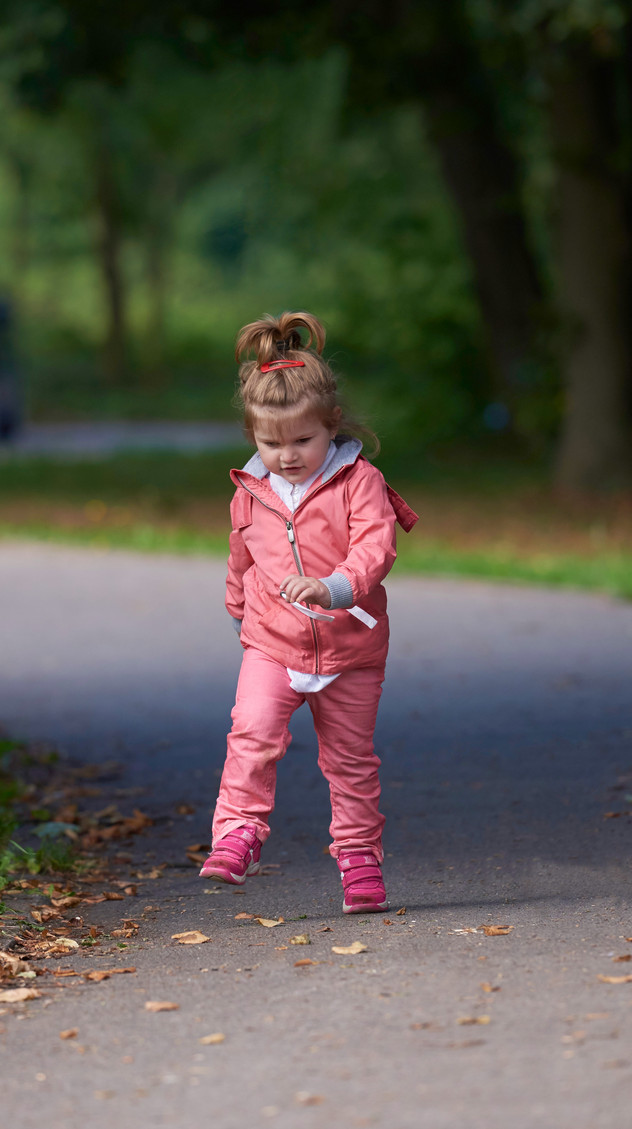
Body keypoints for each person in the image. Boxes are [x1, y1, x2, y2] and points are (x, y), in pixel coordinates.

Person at [199, 311, 418, 914]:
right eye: (271, 444)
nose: (287, 456)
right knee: (251, 734)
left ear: (332, 424)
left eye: (302, 441)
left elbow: (376, 546)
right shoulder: (251, 490)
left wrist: (336, 587)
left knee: (350, 762)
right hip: (272, 643)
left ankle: (359, 859)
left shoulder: (358, 480)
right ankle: (238, 833)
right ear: (253, 436)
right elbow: (242, 556)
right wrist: (239, 611)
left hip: (351, 649)